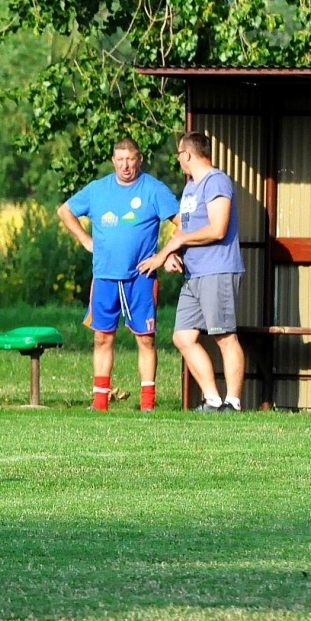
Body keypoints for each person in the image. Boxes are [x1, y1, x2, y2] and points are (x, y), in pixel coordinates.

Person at [56, 137, 179, 411]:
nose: (125, 165)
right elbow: (65, 211)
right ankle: (99, 402)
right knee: (102, 337)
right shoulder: (98, 189)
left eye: (130, 159)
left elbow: (182, 223)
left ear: (140, 159)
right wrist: (85, 240)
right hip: (104, 276)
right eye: (120, 159)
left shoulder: (154, 189)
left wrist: (164, 255)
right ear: (113, 161)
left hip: (140, 278)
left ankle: (148, 404)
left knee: (145, 339)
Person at [138, 131, 245, 411]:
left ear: (186, 154)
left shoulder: (216, 181)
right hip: (193, 274)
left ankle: (232, 402)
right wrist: (171, 252)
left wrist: (180, 242)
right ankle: (212, 399)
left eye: (179, 155)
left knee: (224, 335)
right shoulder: (189, 188)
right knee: (183, 337)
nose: (179, 160)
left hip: (217, 270)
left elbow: (217, 228)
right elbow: (183, 229)